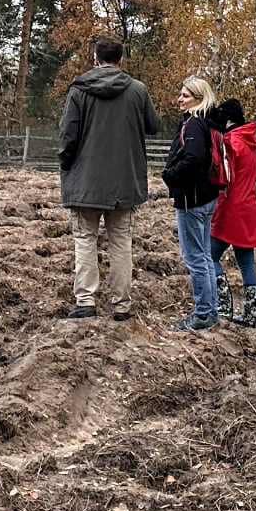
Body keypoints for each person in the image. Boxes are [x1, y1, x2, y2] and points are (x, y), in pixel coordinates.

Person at [58, 38, 163, 321]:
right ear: (121, 60)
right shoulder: (138, 91)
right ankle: (121, 305)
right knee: (121, 242)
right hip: (124, 181)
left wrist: (67, 164)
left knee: (84, 240)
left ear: (95, 58)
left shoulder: (79, 91)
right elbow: (154, 126)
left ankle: (86, 301)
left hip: (85, 180)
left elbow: (68, 135)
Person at [162, 76, 221, 332]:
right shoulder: (208, 124)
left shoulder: (195, 125)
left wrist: (170, 174)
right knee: (205, 255)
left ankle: (203, 313)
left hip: (192, 200)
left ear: (198, 98)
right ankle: (211, 309)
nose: (180, 99)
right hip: (206, 198)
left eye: (185, 95)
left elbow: (194, 158)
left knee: (195, 257)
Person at [207, 98, 256, 328]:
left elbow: (222, 175)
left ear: (228, 118)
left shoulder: (231, 142)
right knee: (246, 262)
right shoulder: (251, 143)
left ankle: (224, 304)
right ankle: (250, 315)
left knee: (210, 256)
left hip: (231, 207)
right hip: (249, 207)